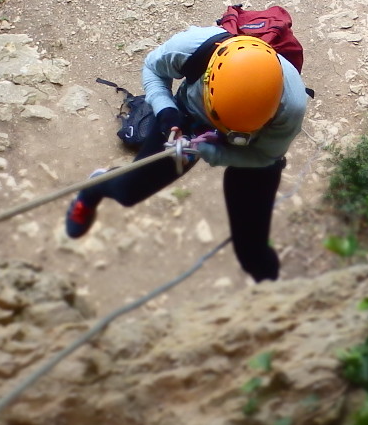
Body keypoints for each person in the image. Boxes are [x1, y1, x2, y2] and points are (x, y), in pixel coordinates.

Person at [67, 29, 308, 282]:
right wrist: (165, 110)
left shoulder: (291, 106)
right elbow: (152, 68)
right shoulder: (192, 48)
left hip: (252, 144)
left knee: (252, 250)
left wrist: (209, 152)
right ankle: (93, 189)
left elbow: (264, 157)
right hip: (188, 120)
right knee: (128, 192)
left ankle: (271, 293)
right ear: (209, 82)